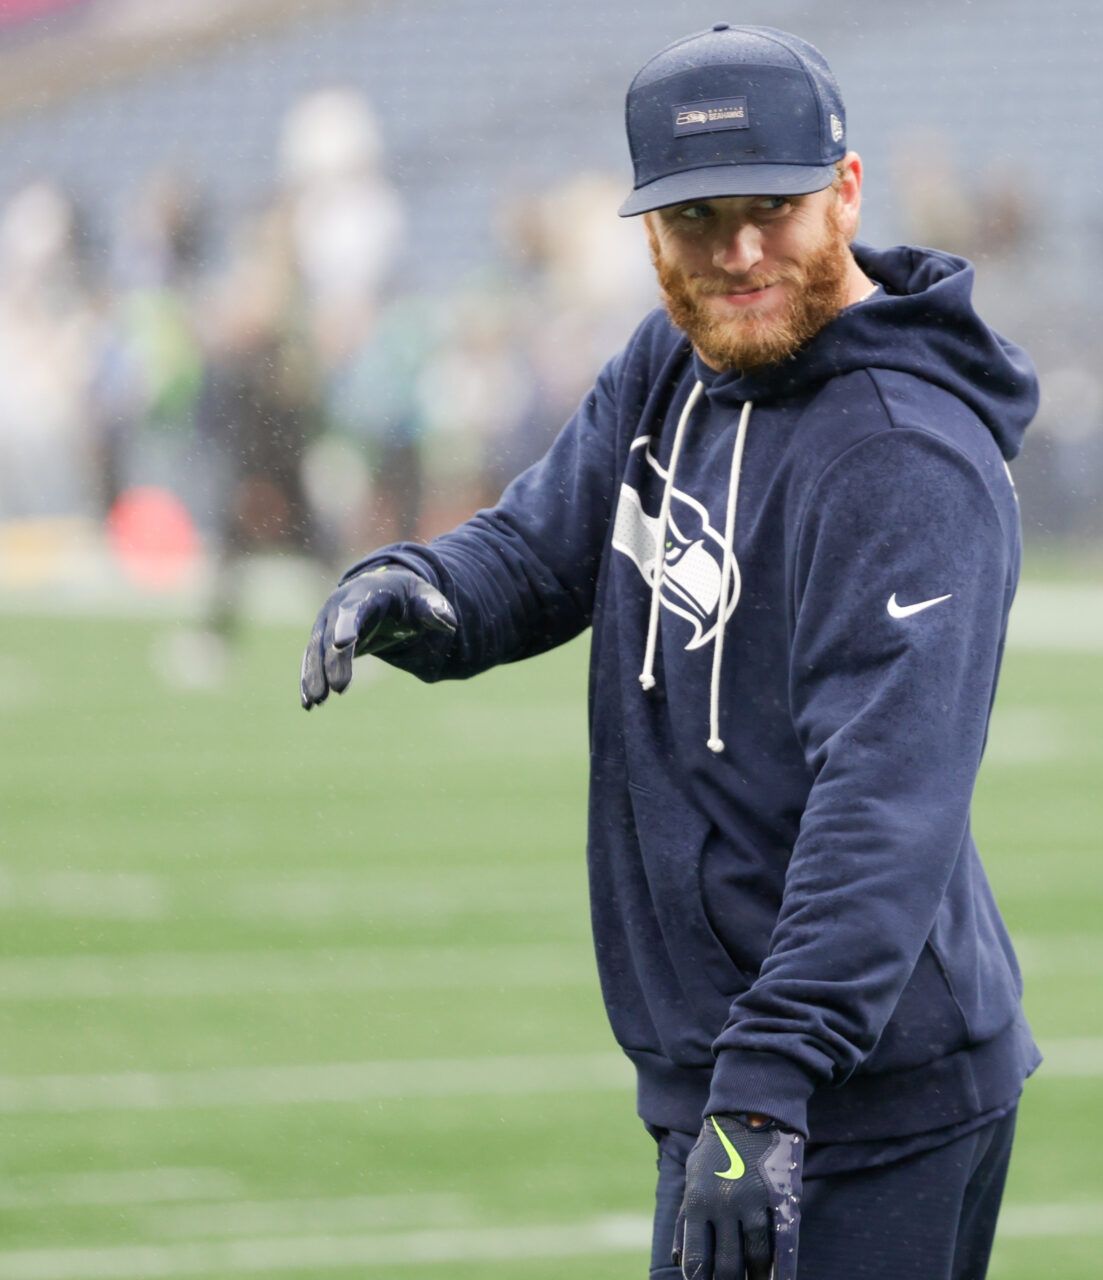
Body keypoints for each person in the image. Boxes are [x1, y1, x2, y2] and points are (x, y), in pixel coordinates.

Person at [297, 23, 1040, 1280]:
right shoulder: (676, 367)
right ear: (647, 231)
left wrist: (766, 1090)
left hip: (853, 1099)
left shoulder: (901, 452)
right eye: (699, 218)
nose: (739, 250)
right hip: (740, 1081)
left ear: (845, 193)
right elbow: (540, 549)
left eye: (775, 207)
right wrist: (420, 589)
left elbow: (885, 804)